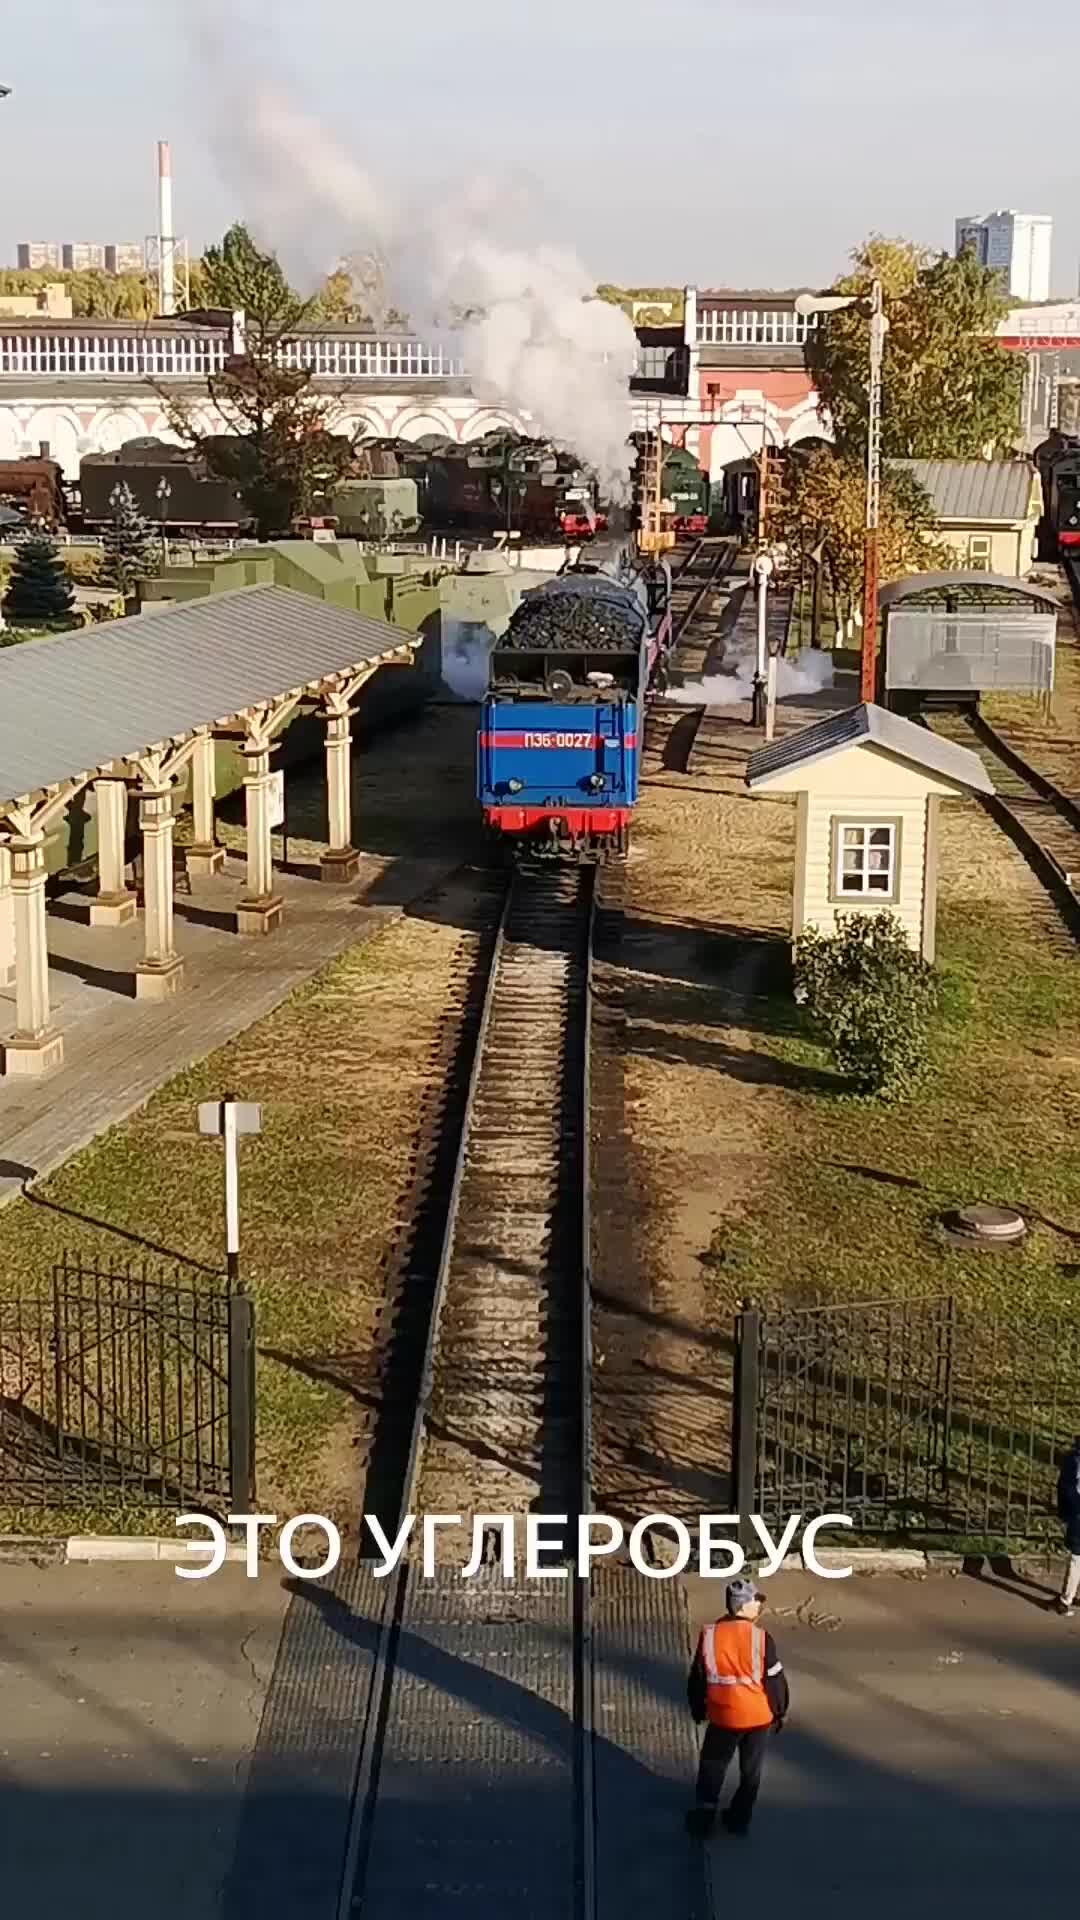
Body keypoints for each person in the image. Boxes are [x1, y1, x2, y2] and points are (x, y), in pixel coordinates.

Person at [685, 1577, 788, 1838]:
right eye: (756, 1601)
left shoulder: (709, 1636)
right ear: (742, 1606)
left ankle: (704, 1819)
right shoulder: (762, 1639)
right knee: (750, 1771)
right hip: (758, 1717)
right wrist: (779, 1712)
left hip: (723, 1715)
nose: (759, 1606)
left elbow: (698, 1677)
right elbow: (775, 1681)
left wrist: (698, 1709)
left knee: (713, 1766)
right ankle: (739, 1819)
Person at [1055, 1437, 1080, 1616]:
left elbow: (1066, 1489)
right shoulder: (1073, 1460)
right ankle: (1067, 1598)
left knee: (1077, 1558)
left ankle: (1065, 1600)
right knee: (1077, 1558)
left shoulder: (1072, 1460)